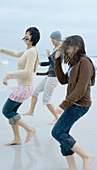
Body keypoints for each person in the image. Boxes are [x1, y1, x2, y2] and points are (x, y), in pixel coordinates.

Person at [52, 35, 95, 170]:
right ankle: (72, 167)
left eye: (68, 47)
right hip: (74, 104)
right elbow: (63, 80)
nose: (66, 50)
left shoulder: (85, 63)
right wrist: (57, 61)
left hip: (80, 105)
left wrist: (63, 104)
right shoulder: (75, 63)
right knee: (63, 134)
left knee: (57, 132)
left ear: (77, 47)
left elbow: (81, 90)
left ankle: (86, 156)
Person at [0, 27, 40, 145]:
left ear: (34, 38)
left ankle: (30, 129)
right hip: (22, 86)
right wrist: (0, 49)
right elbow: (15, 53)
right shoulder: (27, 50)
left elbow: (28, 72)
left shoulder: (32, 52)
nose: (26, 35)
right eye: (26, 33)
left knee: (7, 110)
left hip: (25, 87)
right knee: (12, 111)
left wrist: (8, 75)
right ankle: (17, 139)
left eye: (29, 34)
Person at [22, 31, 63, 125]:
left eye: (52, 39)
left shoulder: (60, 51)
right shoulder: (55, 49)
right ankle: (31, 111)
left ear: (56, 39)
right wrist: (41, 63)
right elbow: (50, 63)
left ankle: (57, 118)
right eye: (51, 39)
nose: (51, 40)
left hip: (53, 78)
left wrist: (49, 56)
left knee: (46, 100)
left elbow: (56, 66)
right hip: (49, 76)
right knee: (35, 91)